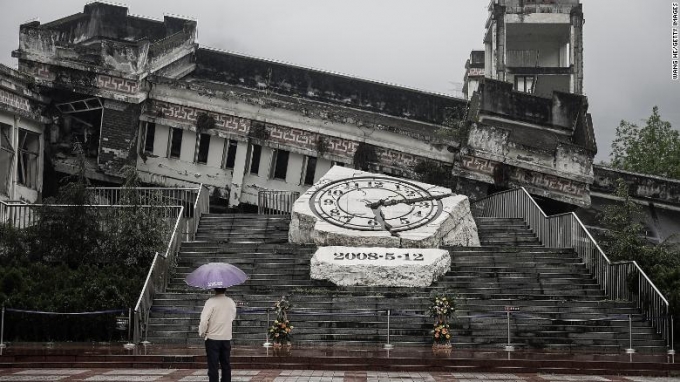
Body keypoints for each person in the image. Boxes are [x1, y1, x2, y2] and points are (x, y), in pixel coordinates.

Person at [199, 288, 237, 382]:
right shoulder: (230, 302)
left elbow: (204, 320)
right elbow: (232, 316)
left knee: (213, 366)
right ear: (226, 289)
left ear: (214, 289)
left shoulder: (211, 302)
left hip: (212, 337)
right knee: (226, 365)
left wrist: (202, 332)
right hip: (226, 336)